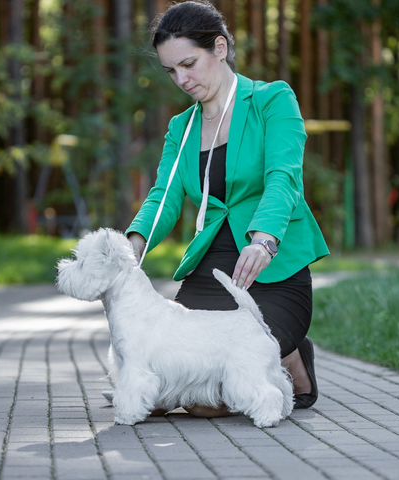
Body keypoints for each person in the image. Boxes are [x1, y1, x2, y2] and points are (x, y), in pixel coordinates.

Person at [125, 0, 330, 415]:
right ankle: (277, 358)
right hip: (212, 270)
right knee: (163, 395)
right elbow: (163, 196)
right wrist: (132, 247)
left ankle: (289, 358)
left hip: (271, 268)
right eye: (171, 70)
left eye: (189, 64)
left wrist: (264, 241)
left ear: (219, 48)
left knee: (208, 401)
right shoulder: (180, 129)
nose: (181, 79)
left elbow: (283, 177)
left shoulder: (272, 101)